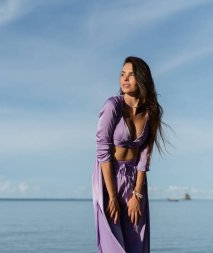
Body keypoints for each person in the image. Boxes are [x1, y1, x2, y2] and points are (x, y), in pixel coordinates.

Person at [92, 56, 166, 253]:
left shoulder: (151, 113)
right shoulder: (113, 106)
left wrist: (137, 194)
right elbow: (102, 150)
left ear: (142, 79)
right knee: (113, 246)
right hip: (108, 175)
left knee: (137, 245)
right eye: (122, 74)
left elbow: (144, 155)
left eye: (131, 75)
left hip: (135, 179)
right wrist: (112, 196)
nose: (124, 79)